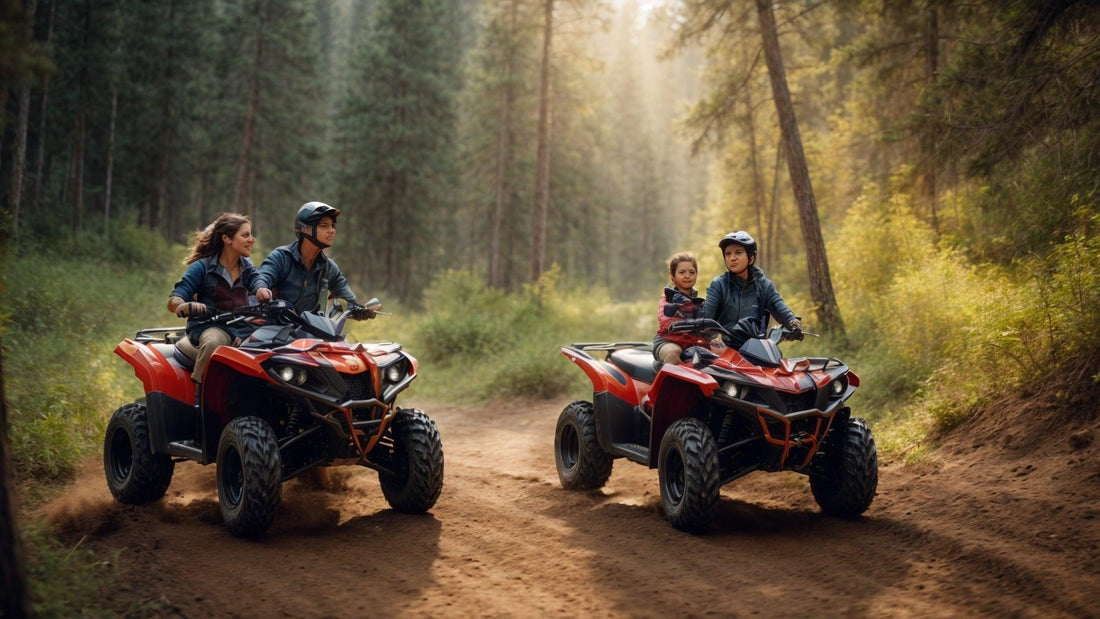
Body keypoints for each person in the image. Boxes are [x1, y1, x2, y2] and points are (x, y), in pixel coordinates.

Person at [168, 213, 262, 390]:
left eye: (251, 234)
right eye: (245, 235)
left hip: (242, 328)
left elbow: (258, 280)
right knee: (214, 342)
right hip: (210, 327)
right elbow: (176, 298)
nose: (252, 239)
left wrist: (262, 290)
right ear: (227, 239)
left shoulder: (247, 268)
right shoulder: (201, 267)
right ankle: (201, 392)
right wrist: (183, 305)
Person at [254, 201, 362, 315]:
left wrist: (358, 308)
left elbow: (347, 297)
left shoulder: (328, 267)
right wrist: (261, 288)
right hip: (278, 323)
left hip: (311, 325)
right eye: (324, 226)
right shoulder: (281, 257)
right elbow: (263, 277)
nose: (331, 230)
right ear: (305, 229)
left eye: (333, 226)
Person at [703, 231, 802, 348]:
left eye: (738, 253)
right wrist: (714, 338)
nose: (732, 258)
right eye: (728, 254)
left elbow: (779, 307)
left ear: (751, 258)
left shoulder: (764, 285)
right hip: (724, 349)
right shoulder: (718, 284)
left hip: (755, 349)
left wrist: (793, 323)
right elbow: (706, 320)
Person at [653, 253, 708, 364]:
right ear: (673, 276)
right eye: (682, 272)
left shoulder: (700, 302)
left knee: (719, 352)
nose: (687, 276)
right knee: (674, 352)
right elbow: (664, 317)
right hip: (668, 341)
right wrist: (674, 321)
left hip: (692, 342)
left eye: (691, 272)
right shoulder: (668, 297)